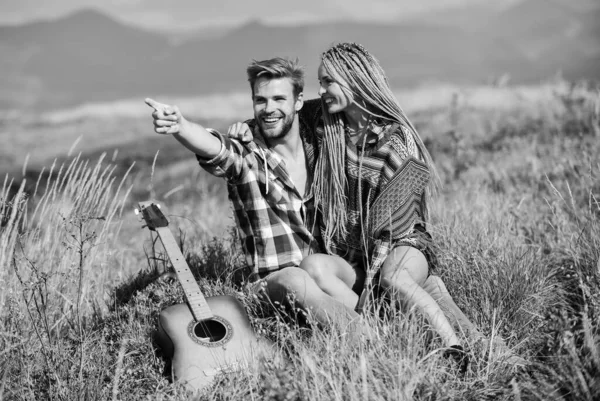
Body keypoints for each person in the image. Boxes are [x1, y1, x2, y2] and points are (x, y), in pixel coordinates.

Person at [227, 44, 484, 359]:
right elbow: (278, 109)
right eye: (319, 83)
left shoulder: (397, 139)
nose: (320, 91)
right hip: (356, 254)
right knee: (313, 266)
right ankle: (380, 334)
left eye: (327, 83)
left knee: (395, 278)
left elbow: (395, 227)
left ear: (354, 81)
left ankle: (453, 349)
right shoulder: (326, 126)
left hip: (401, 244)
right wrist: (245, 128)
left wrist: (372, 281)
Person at [145, 57, 367, 331]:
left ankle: (380, 323)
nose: (268, 109)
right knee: (295, 279)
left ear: (298, 101)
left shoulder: (322, 145)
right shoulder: (249, 154)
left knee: (333, 269)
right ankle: (368, 337)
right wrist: (181, 127)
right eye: (260, 100)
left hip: (326, 271)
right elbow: (216, 148)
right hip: (274, 283)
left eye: (278, 99)